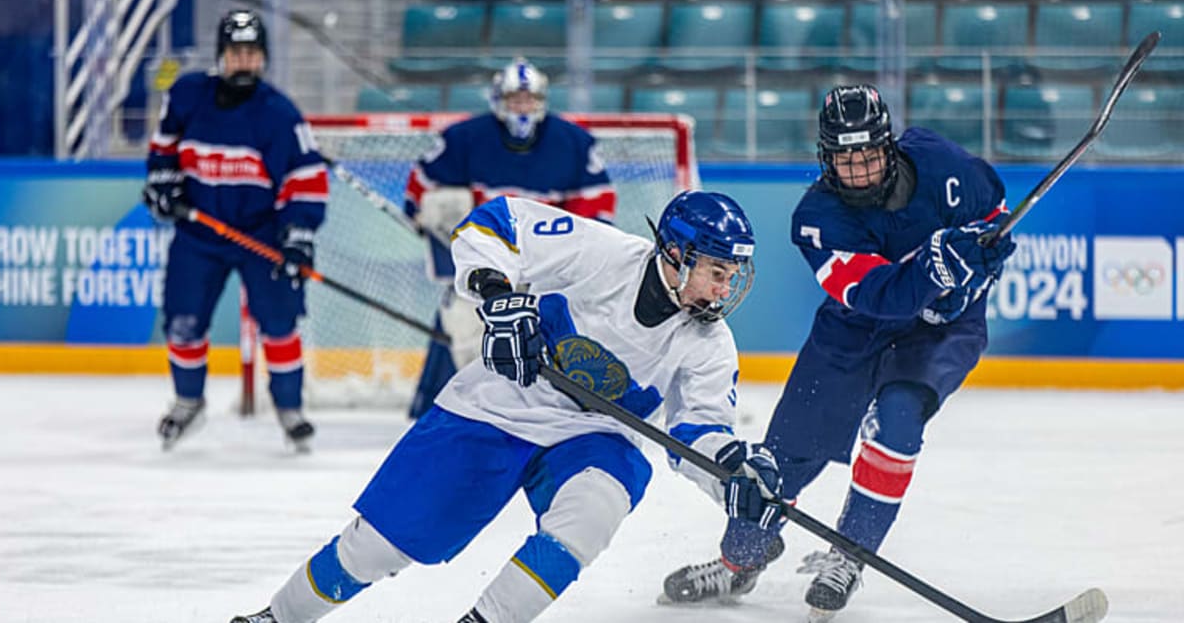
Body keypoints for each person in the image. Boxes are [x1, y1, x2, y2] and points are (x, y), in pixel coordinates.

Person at [229, 191, 779, 623]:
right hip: (498, 405)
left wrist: (734, 473)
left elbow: (698, 433)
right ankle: (276, 617)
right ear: (677, 255)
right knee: (375, 548)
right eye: (716, 272)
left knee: (593, 511)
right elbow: (493, 224)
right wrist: (497, 298)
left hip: (593, 435)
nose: (724, 289)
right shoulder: (603, 254)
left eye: (732, 277)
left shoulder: (709, 343)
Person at [658, 85, 1016, 621]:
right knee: (780, 463)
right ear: (827, 161)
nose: (861, 170)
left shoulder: (942, 165)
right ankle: (738, 563)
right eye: (846, 160)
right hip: (854, 332)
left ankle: (848, 556)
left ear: (889, 146)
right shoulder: (817, 220)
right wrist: (935, 272)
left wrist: (972, 280)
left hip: (939, 335)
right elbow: (879, 296)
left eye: (869, 154)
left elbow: (994, 216)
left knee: (897, 422)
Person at [144, 9, 328, 452]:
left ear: (262, 58)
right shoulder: (188, 95)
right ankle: (188, 401)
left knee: (280, 323)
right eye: (236, 53)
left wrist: (298, 237)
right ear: (221, 56)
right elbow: (164, 146)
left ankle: (289, 409)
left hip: (259, 235)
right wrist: (163, 184)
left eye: (252, 53)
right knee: (183, 322)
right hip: (199, 233)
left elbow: (305, 179)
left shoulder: (280, 115)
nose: (244, 62)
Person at [402, 56, 617, 420]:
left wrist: (573, 256)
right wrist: (422, 215)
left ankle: (562, 407)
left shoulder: (573, 142)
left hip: (547, 261)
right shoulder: (465, 138)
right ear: (498, 101)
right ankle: (432, 409)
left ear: (542, 101)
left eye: (529, 100)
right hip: (490, 255)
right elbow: (422, 184)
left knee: (558, 326)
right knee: (458, 316)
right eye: (515, 100)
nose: (522, 108)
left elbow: (598, 206)